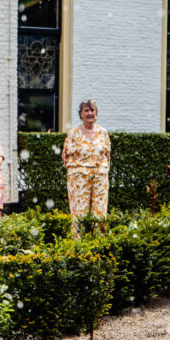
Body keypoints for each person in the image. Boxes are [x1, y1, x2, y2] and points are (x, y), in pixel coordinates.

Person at [62, 100, 110, 237]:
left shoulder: (103, 133)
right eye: (86, 111)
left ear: (96, 113)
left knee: (100, 212)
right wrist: (76, 172)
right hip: (79, 179)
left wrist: (103, 170)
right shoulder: (73, 133)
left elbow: (107, 156)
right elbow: (65, 156)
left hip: (100, 177)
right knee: (79, 212)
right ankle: (78, 244)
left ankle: (99, 242)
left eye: (92, 110)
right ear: (81, 114)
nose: (90, 113)